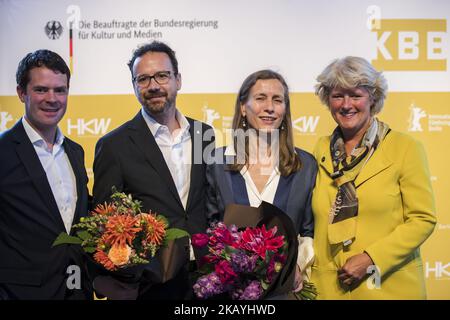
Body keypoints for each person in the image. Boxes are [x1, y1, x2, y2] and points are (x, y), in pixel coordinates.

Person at [93, 41, 214, 299]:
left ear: (178, 80)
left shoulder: (205, 134)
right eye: (144, 79)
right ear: (134, 86)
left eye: (162, 75)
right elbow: (104, 224)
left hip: (207, 279)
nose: (154, 86)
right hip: (150, 286)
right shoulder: (114, 145)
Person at [311, 56, 436, 299]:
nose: (346, 104)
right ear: (328, 100)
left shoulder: (405, 148)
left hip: (387, 288)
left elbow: (422, 219)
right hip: (328, 291)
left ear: (373, 98)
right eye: (338, 96)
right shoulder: (319, 150)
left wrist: (371, 258)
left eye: (356, 95)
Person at [206, 70, 317, 297]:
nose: (270, 107)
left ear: (285, 110)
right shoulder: (217, 163)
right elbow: (210, 226)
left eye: (278, 100)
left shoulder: (305, 165)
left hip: (284, 292)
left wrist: (296, 265)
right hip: (231, 294)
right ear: (243, 108)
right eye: (260, 98)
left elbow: (308, 230)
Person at [0, 50, 91, 299]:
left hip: (77, 291)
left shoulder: (75, 151)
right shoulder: (3, 151)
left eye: (60, 90)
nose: (52, 99)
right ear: (21, 93)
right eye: (41, 90)